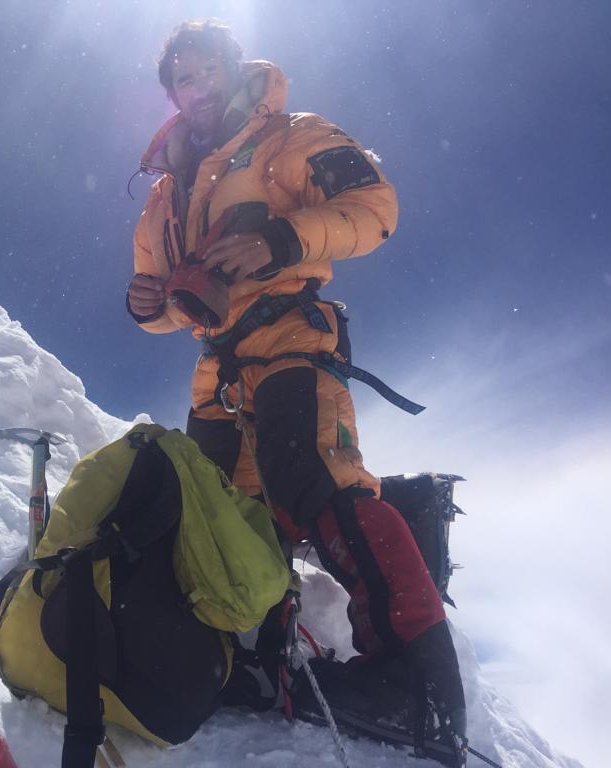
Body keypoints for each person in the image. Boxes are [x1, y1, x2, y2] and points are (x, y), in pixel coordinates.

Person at [127, 18, 467, 746]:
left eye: (206, 70)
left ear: (233, 66)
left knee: (312, 477)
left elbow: (375, 209)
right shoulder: (164, 195)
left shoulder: (289, 137)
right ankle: (251, 659)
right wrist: (144, 305)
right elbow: (156, 294)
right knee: (225, 515)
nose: (197, 89)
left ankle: (418, 685)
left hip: (289, 333)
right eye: (182, 79)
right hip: (217, 368)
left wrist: (281, 238)